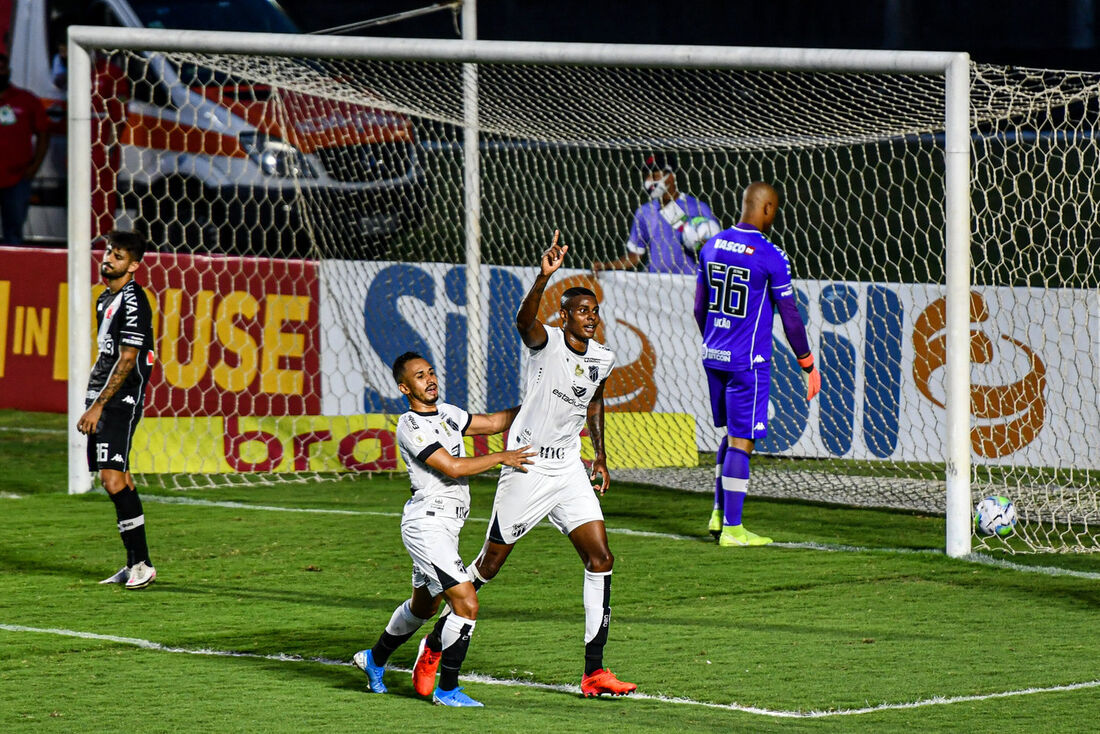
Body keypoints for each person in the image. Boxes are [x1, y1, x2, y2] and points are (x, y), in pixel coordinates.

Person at [413, 232, 637, 699]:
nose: (589, 317)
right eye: (580, 310)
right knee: (489, 566)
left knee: (601, 558)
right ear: (564, 316)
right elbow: (523, 320)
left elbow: (593, 405)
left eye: (593, 311)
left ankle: (594, 671)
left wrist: (599, 456)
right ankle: (435, 641)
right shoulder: (547, 342)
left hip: (570, 469)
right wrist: (543, 277)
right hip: (528, 464)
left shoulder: (602, 358)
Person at [352, 352, 534, 707]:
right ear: (405, 388)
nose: (429, 379)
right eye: (420, 376)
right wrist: (500, 457)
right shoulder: (410, 425)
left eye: (431, 372)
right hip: (427, 526)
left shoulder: (448, 413)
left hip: (447, 526)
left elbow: (496, 422)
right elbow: (451, 467)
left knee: (424, 608)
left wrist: (535, 402)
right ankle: (448, 689)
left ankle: (373, 660)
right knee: (466, 602)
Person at [694, 182, 821, 547]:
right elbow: (790, 315)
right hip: (747, 362)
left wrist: (715, 340)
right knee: (743, 441)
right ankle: (733, 529)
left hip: (713, 356)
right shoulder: (770, 255)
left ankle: (719, 514)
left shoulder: (711, 245)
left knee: (731, 436)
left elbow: (699, 308)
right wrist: (808, 364)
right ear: (766, 210)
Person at [76, 230, 157, 588]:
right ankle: (136, 564)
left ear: (135, 265)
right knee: (118, 479)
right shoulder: (104, 299)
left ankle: (142, 565)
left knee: (111, 480)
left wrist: (98, 406)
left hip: (121, 398)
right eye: (109, 252)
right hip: (105, 395)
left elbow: (128, 360)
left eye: (119, 256)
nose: (108, 258)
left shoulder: (134, 301)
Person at [592, 153, 720, 276]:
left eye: (654, 175)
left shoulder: (696, 207)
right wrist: (607, 266)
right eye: (646, 176)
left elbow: (716, 249)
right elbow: (635, 256)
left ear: (671, 176)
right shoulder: (645, 212)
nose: (648, 181)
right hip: (657, 285)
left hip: (689, 283)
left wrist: (702, 243)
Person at [0, 52, 50, 244]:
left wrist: (35, 166)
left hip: (17, 178)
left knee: (13, 233)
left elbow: (44, 134)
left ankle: (11, 271)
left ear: (9, 72)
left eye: (2, 69)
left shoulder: (26, 100)